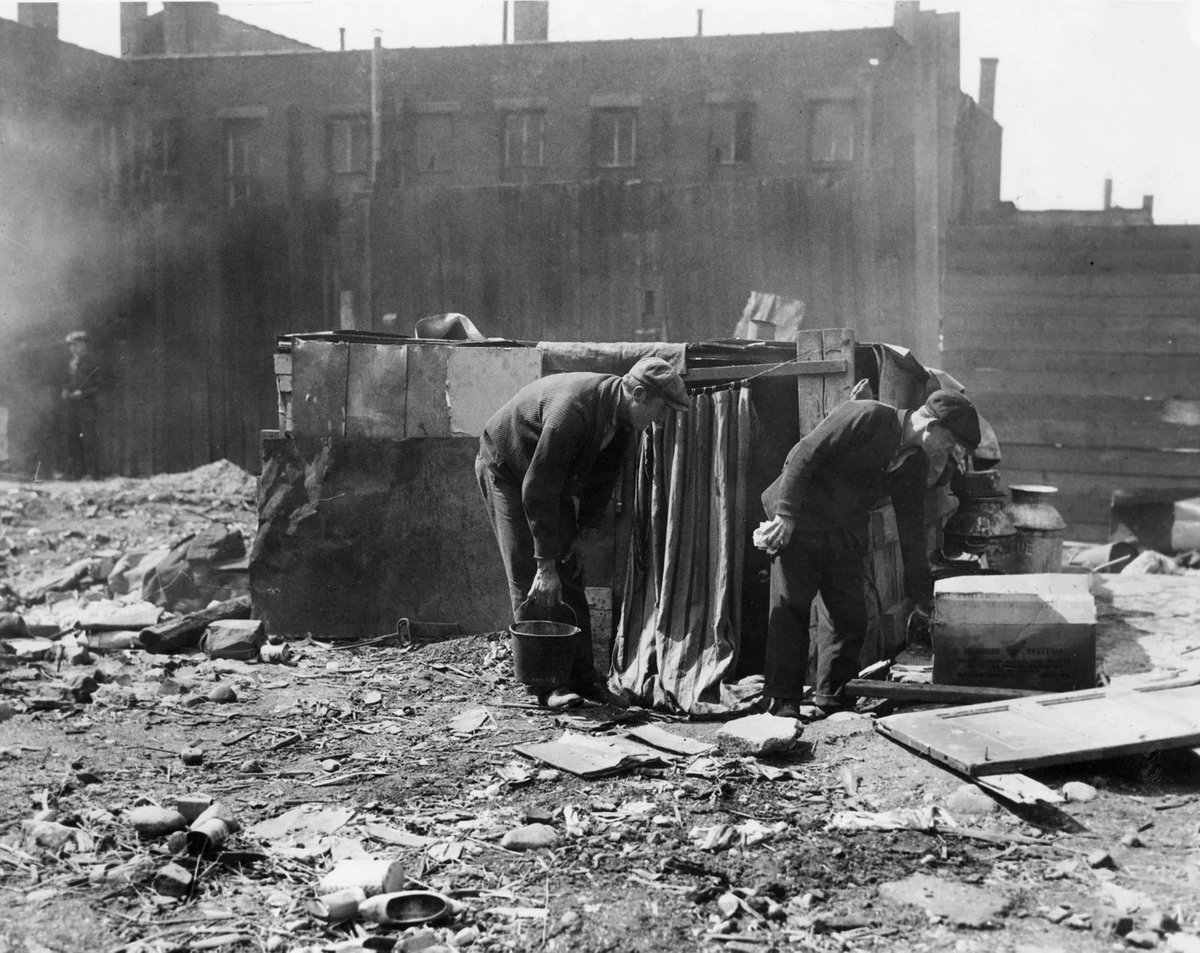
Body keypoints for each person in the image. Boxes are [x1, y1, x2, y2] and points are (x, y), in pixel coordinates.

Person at [476, 356, 690, 710]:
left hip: (545, 478)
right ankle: (546, 686)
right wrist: (545, 564)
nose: (662, 419)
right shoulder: (573, 410)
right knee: (530, 571)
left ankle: (584, 679)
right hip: (508, 468)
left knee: (570, 569)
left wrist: (582, 536)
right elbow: (536, 489)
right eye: (662, 409)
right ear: (637, 393)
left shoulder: (623, 421)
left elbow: (601, 483)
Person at [757, 389, 981, 720]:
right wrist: (786, 515)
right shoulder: (868, 415)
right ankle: (782, 702)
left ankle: (833, 699)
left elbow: (911, 528)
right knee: (792, 609)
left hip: (843, 532)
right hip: (799, 520)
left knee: (851, 618)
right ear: (931, 426)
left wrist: (921, 591)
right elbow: (804, 453)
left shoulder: (914, 461)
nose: (946, 453)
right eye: (947, 444)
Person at [60, 330, 101, 480]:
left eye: (76, 344)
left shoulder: (92, 362)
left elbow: (100, 385)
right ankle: (78, 473)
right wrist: (65, 391)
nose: (73, 348)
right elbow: (67, 382)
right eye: (71, 345)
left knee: (89, 440)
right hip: (73, 407)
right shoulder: (71, 363)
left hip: (87, 406)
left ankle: (94, 473)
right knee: (73, 440)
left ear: (84, 345)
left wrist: (83, 393)